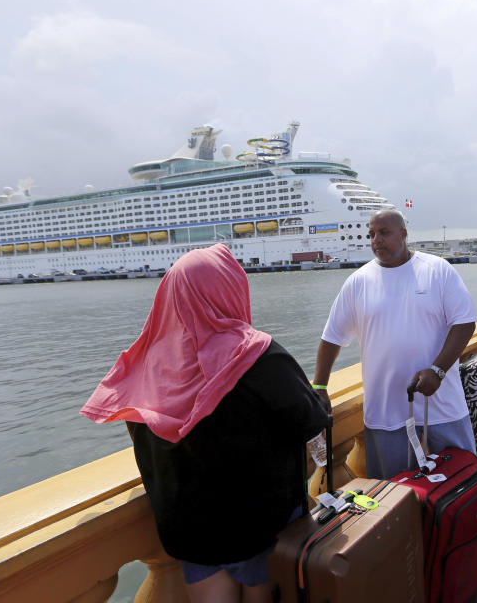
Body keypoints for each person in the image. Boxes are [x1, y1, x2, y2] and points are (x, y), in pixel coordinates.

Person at [80, 244, 330, 603]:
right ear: (229, 288)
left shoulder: (148, 362)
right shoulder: (257, 354)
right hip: (262, 525)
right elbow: (309, 423)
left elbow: (139, 429)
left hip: (192, 532)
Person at [313, 209, 477, 479]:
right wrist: (319, 386)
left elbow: (465, 322)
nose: (376, 239)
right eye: (372, 234)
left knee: (461, 482)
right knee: (394, 496)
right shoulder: (357, 282)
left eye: (384, 233)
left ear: (403, 234)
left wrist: (438, 370)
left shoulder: (437, 270)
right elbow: (331, 337)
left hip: (442, 405)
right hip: (385, 412)